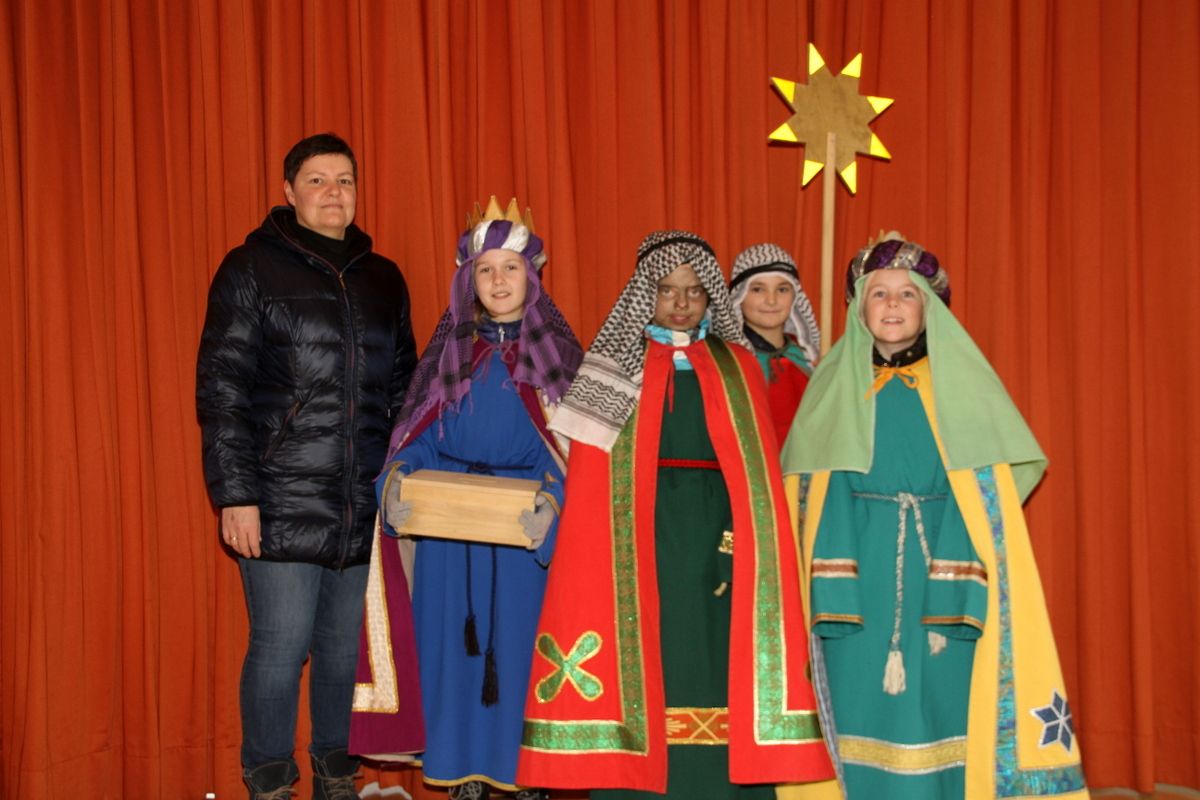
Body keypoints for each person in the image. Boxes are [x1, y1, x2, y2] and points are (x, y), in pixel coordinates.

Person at [516, 231, 834, 799]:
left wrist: (738, 541)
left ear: (710, 297)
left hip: (719, 542)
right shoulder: (613, 367)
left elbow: (756, 476)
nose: (681, 303)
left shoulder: (737, 366)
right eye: (667, 290)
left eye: (693, 291)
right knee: (646, 658)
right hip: (637, 538)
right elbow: (590, 478)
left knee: (714, 662)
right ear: (647, 294)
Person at [781, 234, 1088, 798]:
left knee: (939, 700)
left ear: (930, 309)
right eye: (879, 293)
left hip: (942, 568)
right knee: (853, 698)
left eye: (908, 294)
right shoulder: (831, 387)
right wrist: (833, 583)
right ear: (859, 308)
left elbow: (987, 493)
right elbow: (810, 493)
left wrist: (954, 579)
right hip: (852, 575)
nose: (892, 305)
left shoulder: (960, 387)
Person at [196, 132, 418, 799]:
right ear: (289, 192)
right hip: (278, 499)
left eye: (344, 180)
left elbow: (406, 390)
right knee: (280, 648)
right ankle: (268, 783)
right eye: (317, 180)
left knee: (345, 654)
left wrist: (403, 484)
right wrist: (235, 495)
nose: (333, 193)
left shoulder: (384, 278)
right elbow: (222, 390)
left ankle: (335, 777)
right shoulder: (250, 269)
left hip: (363, 501)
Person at [351, 198, 582, 800]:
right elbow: (419, 438)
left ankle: (527, 777)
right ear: (468, 280)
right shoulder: (449, 356)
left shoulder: (559, 362)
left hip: (523, 541)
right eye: (486, 270)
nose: (499, 281)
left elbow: (574, 455)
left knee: (524, 660)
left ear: (532, 277)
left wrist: (554, 502)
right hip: (449, 544)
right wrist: (397, 480)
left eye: (511, 268)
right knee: (451, 660)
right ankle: (462, 777)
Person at [728, 243, 820, 446]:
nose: (771, 300)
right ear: (739, 296)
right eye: (758, 289)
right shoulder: (728, 362)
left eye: (782, 289)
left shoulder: (806, 359)